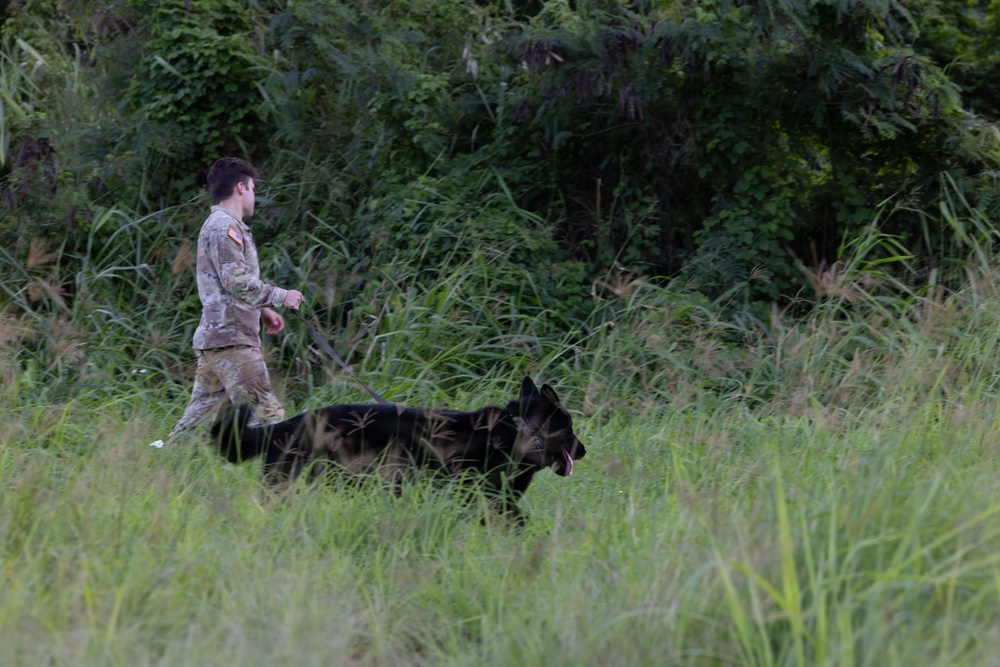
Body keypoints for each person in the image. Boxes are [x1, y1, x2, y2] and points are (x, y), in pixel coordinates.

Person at [150, 157, 305, 447]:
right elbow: (235, 281)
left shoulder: (221, 225)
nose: (254, 195)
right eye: (253, 188)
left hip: (218, 338)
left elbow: (226, 283)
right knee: (268, 415)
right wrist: (281, 296)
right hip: (233, 340)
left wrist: (263, 309)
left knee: (196, 423)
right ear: (241, 188)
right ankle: (283, 473)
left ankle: (159, 461)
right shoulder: (224, 227)